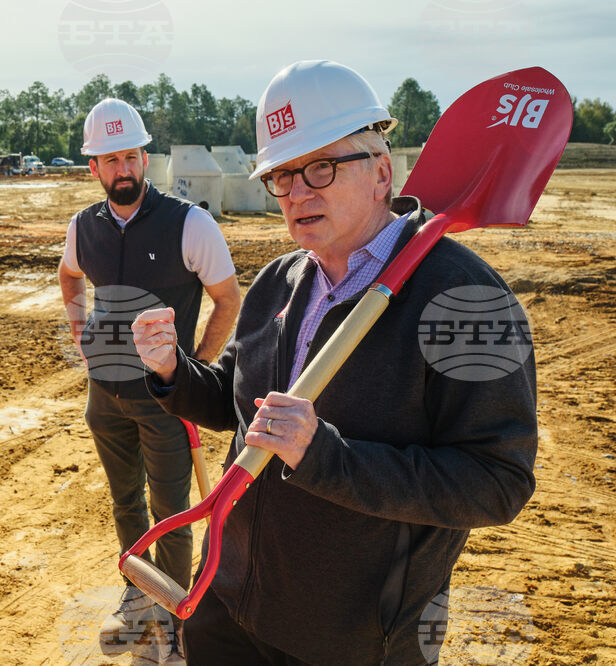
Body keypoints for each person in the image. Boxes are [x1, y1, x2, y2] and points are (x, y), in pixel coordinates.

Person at [132, 60, 537, 665]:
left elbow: (495, 483)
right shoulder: (281, 279)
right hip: (230, 600)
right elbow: (240, 408)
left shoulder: (466, 299)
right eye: (282, 175)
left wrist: (326, 457)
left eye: (320, 167)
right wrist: (171, 370)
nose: (297, 193)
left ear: (381, 172)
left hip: (354, 637)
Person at [58, 98, 241, 658]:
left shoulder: (190, 222)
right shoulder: (83, 227)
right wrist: (79, 331)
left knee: (173, 512)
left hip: (165, 404)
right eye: (110, 160)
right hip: (104, 400)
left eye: (132, 156)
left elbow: (228, 300)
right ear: (94, 168)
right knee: (124, 504)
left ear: (146, 157)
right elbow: (69, 278)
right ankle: (139, 598)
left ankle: (179, 620)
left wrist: (198, 371)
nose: (123, 169)